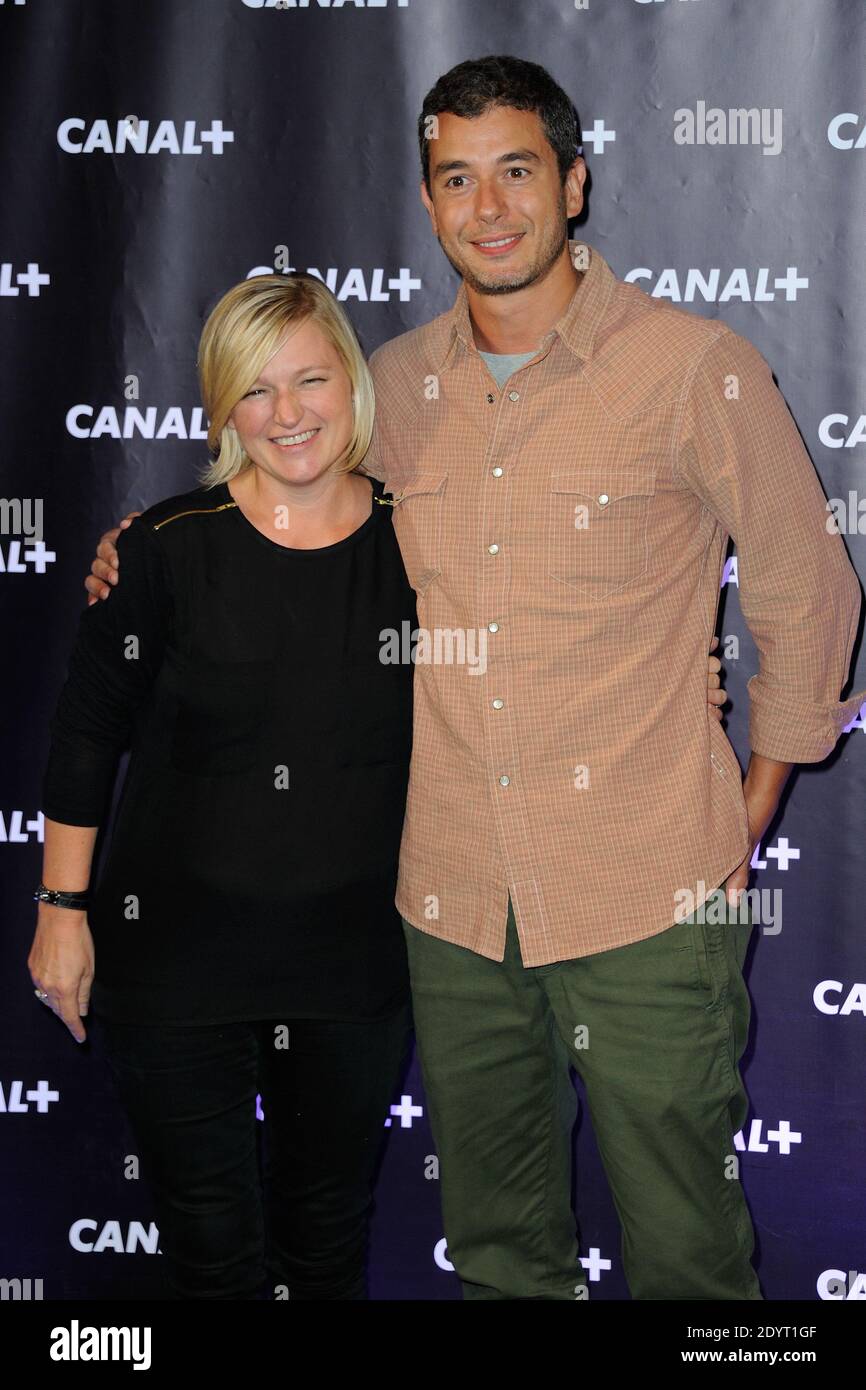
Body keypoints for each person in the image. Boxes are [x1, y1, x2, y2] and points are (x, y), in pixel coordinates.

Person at [78, 62, 770, 1302]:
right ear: (426, 198)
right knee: (501, 1257)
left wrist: (748, 801)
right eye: (457, 177)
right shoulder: (388, 387)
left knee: (686, 1259)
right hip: (449, 912)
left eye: (516, 170)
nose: (488, 205)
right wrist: (147, 540)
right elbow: (283, 491)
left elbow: (807, 597)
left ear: (571, 180)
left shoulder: (692, 365)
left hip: (645, 887)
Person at [29, 271, 419, 1300]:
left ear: (353, 382)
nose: (285, 414)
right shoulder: (162, 550)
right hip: (175, 971)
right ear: (220, 408)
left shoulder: (424, 546)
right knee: (211, 1260)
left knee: (325, 1243)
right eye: (254, 390)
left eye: (308, 380)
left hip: (351, 969)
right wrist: (61, 912)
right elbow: (83, 734)